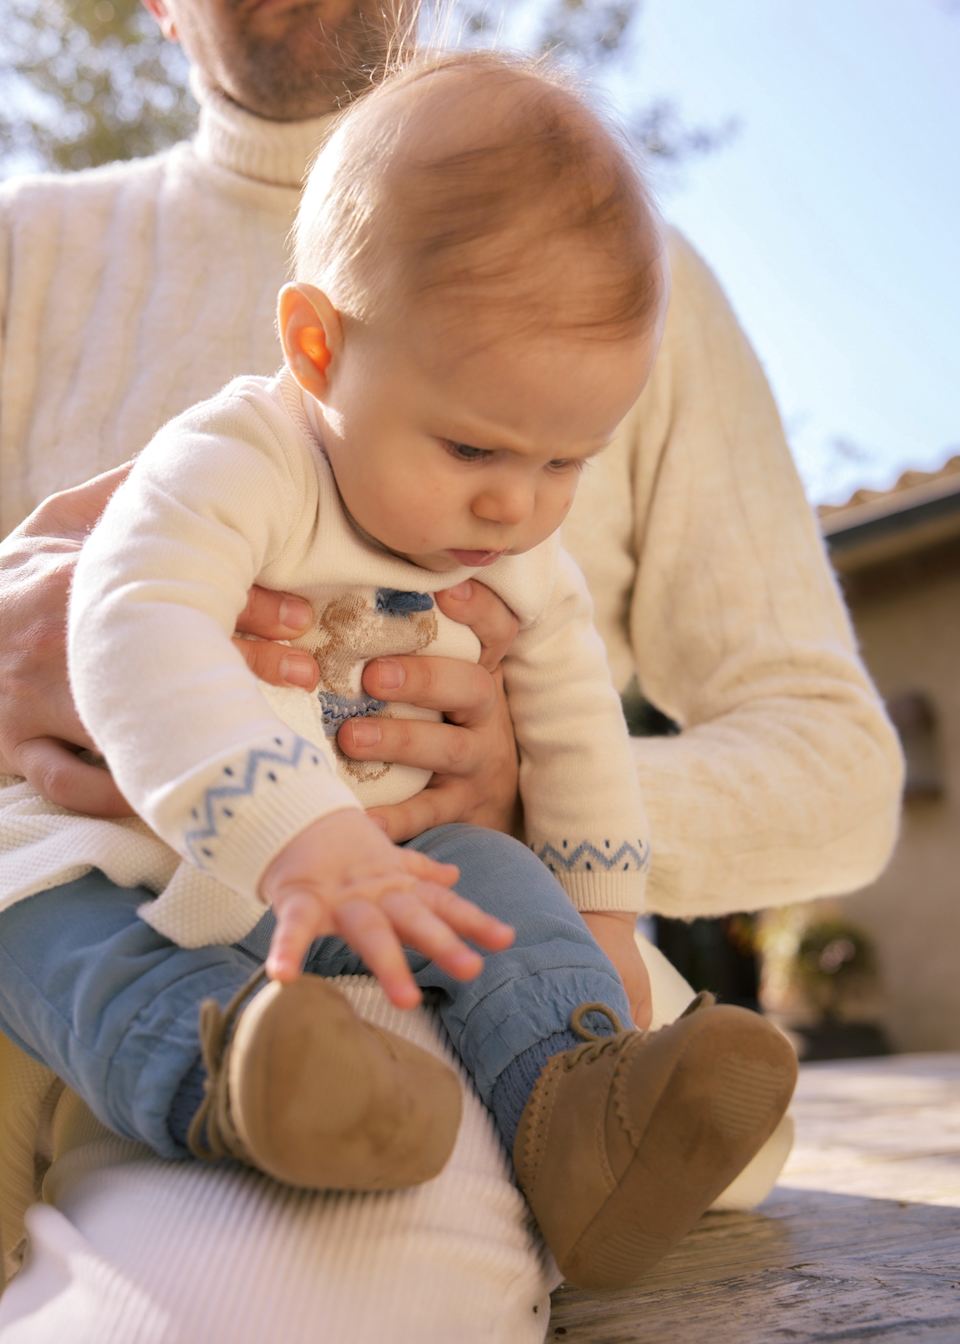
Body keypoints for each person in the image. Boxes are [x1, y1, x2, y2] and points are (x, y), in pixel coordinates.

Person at [0, 0, 902, 1336]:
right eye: (476, 452)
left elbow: (836, 767)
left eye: (562, 465)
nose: (517, 504)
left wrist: (521, 814)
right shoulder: (35, 261)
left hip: (377, 976)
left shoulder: (616, 272)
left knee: (279, 1286)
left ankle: (574, 1108)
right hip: (79, 914)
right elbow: (146, 616)